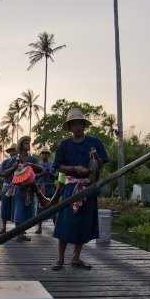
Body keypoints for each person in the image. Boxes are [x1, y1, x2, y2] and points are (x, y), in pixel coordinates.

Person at [52, 108, 109, 270]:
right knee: (66, 222)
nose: (77, 127)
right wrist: (74, 168)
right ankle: (60, 258)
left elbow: (100, 165)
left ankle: (76, 257)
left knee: (84, 223)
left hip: (89, 188)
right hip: (71, 188)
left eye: (80, 124)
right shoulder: (64, 145)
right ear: (69, 127)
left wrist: (96, 157)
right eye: (74, 124)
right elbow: (58, 167)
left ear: (84, 125)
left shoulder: (95, 142)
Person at [1, 136, 44, 241]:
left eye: (29, 143)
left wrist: (31, 165)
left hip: (29, 190)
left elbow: (41, 169)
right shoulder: (15, 159)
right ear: (21, 146)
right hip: (19, 188)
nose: (29, 145)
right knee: (18, 211)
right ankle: (18, 234)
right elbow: (2, 173)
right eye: (26, 143)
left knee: (27, 212)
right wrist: (13, 167)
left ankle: (22, 233)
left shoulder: (32, 159)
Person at [34, 149, 57, 234]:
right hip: (40, 188)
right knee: (39, 207)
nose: (44, 155)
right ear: (40, 155)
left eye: (46, 153)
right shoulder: (37, 165)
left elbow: (56, 177)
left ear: (49, 155)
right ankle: (39, 227)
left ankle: (56, 226)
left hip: (50, 187)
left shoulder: (53, 165)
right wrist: (42, 174)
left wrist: (49, 173)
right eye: (43, 153)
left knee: (53, 207)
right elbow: (34, 177)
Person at [0, 145, 18, 235]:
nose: (13, 153)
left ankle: (18, 229)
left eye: (14, 151)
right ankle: (4, 227)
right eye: (11, 151)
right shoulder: (5, 162)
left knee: (18, 209)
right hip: (7, 188)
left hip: (18, 188)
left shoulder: (22, 161)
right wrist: (12, 168)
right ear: (9, 153)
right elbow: (1, 174)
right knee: (5, 208)